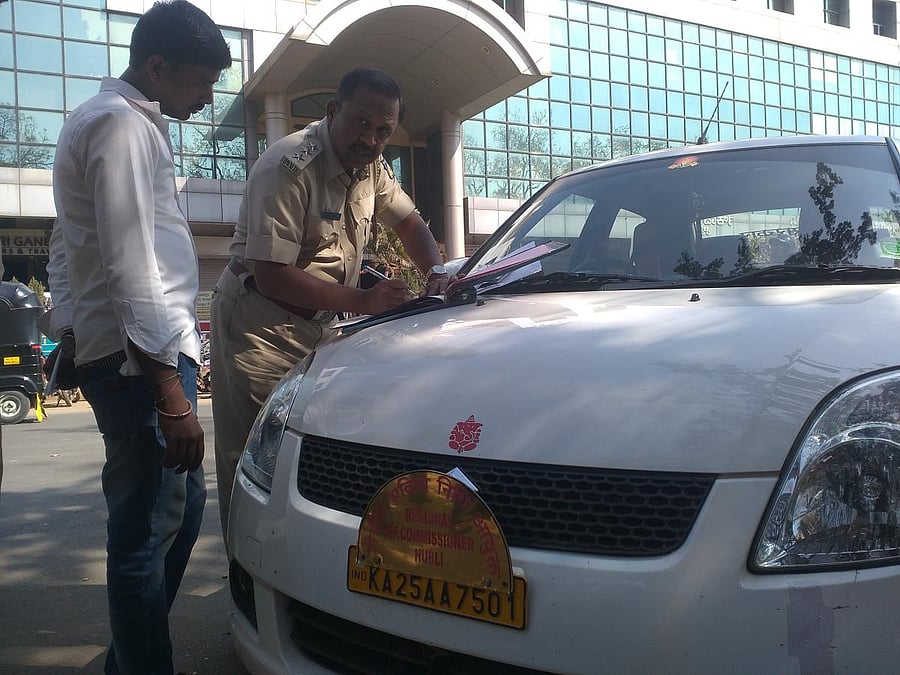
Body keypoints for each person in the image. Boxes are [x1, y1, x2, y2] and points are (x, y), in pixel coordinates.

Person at [44, 2, 231, 673]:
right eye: (201, 82)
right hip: (139, 364)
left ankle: (132, 657)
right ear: (157, 67)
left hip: (128, 355)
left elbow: (64, 249)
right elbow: (128, 264)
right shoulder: (121, 126)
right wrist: (168, 393)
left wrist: (70, 324)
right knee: (145, 530)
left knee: (176, 512)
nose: (208, 98)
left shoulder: (111, 122)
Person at [211, 67, 449, 544]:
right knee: (259, 465)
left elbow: (410, 224)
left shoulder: (372, 168)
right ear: (332, 111)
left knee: (310, 459)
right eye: (362, 123)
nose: (373, 139)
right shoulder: (288, 166)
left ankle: (302, 573)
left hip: (318, 331)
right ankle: (250, 580)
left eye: (384, 130)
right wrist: (364, 301)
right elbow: (272, 274)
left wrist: (439, 276)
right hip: (259, 328)